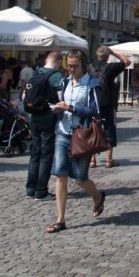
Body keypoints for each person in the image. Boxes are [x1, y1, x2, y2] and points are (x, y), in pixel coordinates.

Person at [47, 51, 106, 234]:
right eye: (69, 65)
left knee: (80, 178)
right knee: (60, 174)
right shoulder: (65, 82)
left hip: (81, 135)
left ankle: (97, 196)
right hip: (63, 133)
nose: (71, 69)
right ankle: (60, 219)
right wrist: (58, 109)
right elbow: (63, 104)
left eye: (75, 66)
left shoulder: (92, 84)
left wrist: (72, 108)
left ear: (83, 65)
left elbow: (96, 112)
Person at [23, 51, 65, 199]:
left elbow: (24, 95)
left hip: (34, 116)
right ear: (59, 61)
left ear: (47, 59)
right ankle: (41, 191)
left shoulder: (36, 72)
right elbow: (61, 100)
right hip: (48, 117)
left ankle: (30, 188)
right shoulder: (57, 76)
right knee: (46, 154)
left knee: (35, 153)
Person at [93, 45, 131, 169]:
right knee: (109, 129)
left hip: (93, 104)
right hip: (107, 103)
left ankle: (91, 160)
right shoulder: (110, 67)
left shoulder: (90, 67)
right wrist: (113, 52)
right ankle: (109, 160)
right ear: (107, 56)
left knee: (93, 130)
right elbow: (127, 61)